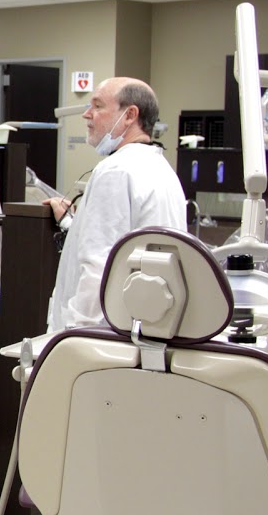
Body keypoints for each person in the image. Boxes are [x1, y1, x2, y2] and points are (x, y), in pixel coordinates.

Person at [44, 77, 186, 333]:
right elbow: (127, 239)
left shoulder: (115, 171)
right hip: (142, 326)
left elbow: (99, 265)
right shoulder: (161, 168)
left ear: (130, 115)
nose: (87, 114)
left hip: (98, 332)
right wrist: (69, 223)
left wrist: (76, 333)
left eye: (98, 106)